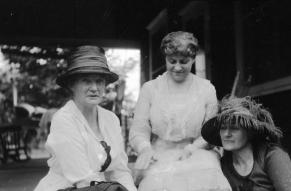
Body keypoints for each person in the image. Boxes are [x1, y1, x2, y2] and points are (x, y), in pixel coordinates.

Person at [129, 31, 231, 191]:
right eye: (172, 61)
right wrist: (145, 149)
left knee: (205, 179)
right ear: (165, 59)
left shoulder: (206, 89)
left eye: (183, 61)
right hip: (159, 154)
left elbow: (211, 131)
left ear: (193, 59)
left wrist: (192, 149)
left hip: (196, 152)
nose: (177, 67)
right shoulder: (150, 89)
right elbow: (138, 130)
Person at [34, 45, 137, 191]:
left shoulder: (111, 119)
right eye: (86, 80)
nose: (94, 88)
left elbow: (120, 171)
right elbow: (83, 180)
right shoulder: (63, 120)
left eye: (99, 81)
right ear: (72, 84)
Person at [201, 96, 291, 191]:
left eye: (234, 128)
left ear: (250, 132)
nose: (226, 134)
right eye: (223, 128)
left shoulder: (272, 156)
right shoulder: (223, 165)